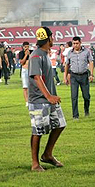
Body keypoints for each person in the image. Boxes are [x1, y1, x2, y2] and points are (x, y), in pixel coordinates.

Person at [28, 27, 66, 172]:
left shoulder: (44, 54)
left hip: (49, 99)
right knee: (38, 131)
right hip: (39, 100)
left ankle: (47, 154)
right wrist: (49, 96)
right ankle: (35, 163)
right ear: (49, 38)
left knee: (60, 124)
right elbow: (36, 77)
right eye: (52, 37)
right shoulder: (36, 56)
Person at [64, 37, 94, 119]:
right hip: (74, 76)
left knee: (86, 96)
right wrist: (65, 77)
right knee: (74, 96)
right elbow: (67, 65)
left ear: (80, 43)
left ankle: (86, 110)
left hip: (84, 75)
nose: (75, 45)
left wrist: (91, 74)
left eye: (77, 43)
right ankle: (75, 116)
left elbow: (91, 62)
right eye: (74, 43)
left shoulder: (87, 51)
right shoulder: (70, 53)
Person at [19, 42, 31, 107]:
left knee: (31, 87)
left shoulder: (32, 52)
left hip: (31, 70)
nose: (27, 48)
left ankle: (31, 100)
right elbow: (21, 62)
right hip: (24, 70)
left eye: (28, 46)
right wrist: (26, 55)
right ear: (23, 47)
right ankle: (27, 101)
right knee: (25, 87)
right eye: (25, 47)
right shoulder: (21, 53)